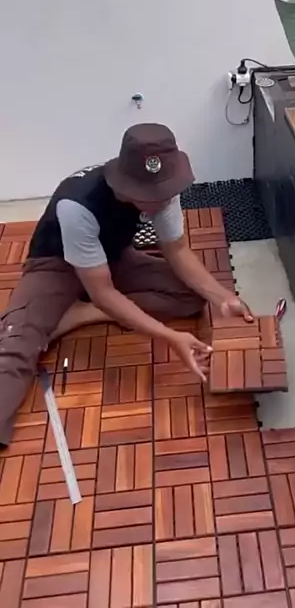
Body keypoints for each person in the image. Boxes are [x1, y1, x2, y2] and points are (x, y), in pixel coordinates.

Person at [0, 123, 253, 448]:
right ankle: (53, 318)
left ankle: (80, 313)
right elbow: (103, 292)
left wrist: (223, 298)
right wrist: (171, 337)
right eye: (152, 195)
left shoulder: (164, 189)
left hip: (112, 257)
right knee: (16, 345)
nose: (163, 200)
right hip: (56, 265)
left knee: (190, 296)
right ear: (128, 185)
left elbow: (177, 250)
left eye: (165, 191)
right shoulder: (78, 205)